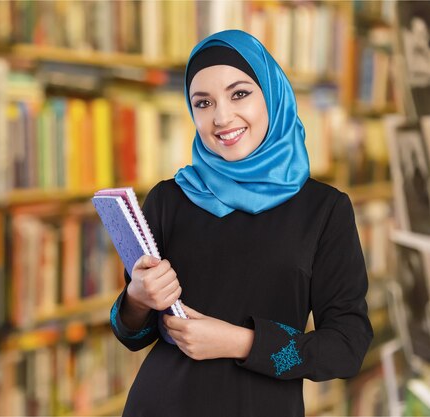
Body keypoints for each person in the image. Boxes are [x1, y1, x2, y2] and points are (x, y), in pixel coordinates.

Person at [108, 30, 373, 416]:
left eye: (239, 94)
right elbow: (131, 333)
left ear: (272, 94)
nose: (221, 117)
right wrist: (136, 298)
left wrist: (241, 342)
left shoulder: (325, 210)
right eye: (203, 102)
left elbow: (347, 348)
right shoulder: (169, 198)